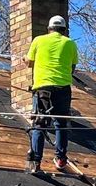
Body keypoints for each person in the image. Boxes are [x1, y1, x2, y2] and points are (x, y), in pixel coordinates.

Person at [25, 14, 78, 175]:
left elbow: (29, 62)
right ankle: (60, 158)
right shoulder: (70, 43)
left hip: (43, 88)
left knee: (40, 124)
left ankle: (35, 162)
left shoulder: (39, 40)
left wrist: (25, 59)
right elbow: (72, 67)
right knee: (61, 124)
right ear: (64, 30)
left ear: (49, 29)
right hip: (63, 88)